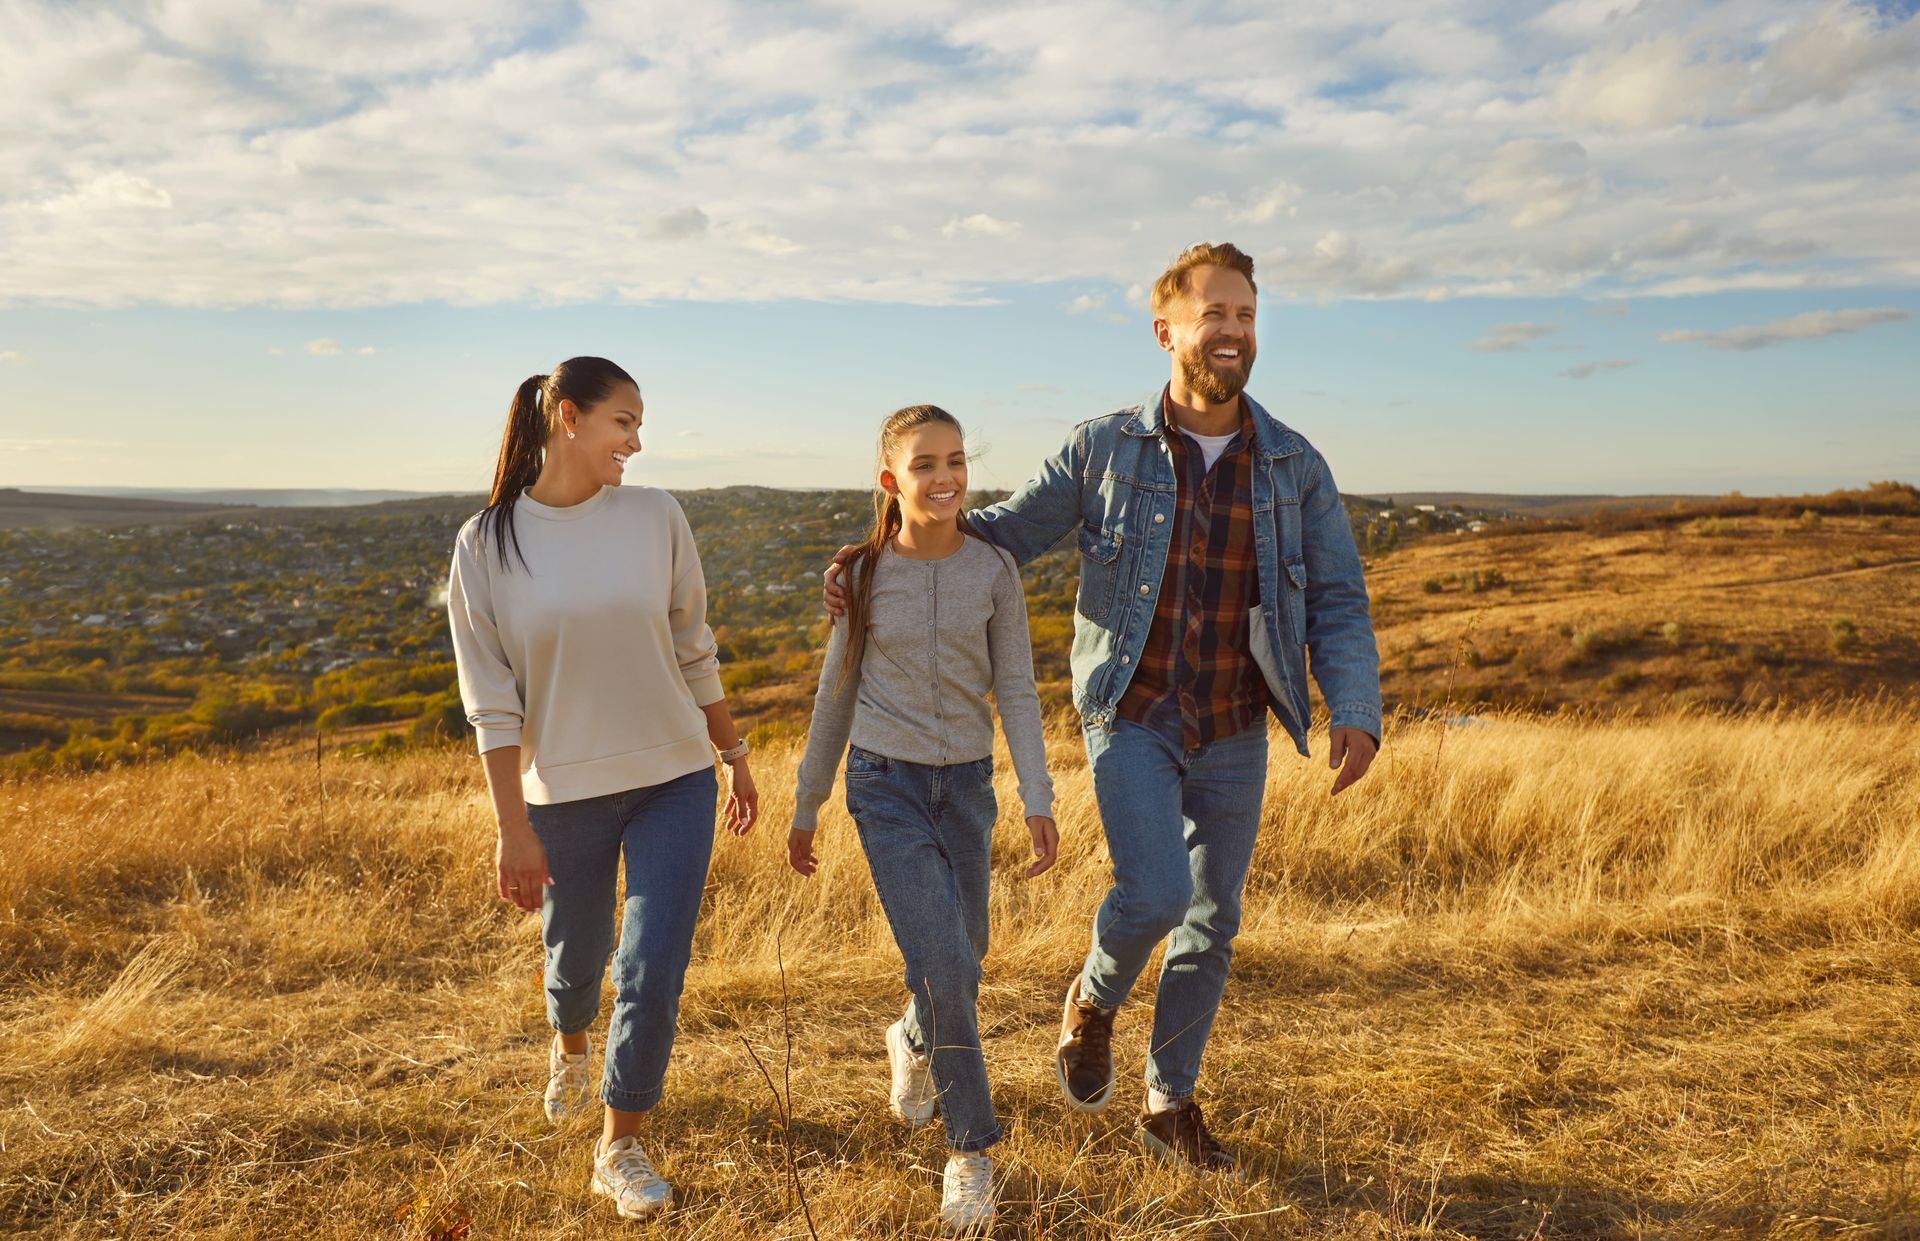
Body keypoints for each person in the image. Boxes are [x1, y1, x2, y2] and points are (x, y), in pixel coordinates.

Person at [825, 243, 1381, 1173]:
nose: (1234, 331)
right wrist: (877, 552)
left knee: (1213, 917)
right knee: (1159, 891)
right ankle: (1093, 996)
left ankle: (1171, 1102)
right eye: (1216, 314)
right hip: (1133, 710)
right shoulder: (1103, 448)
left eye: (1247, 314)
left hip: (1238, 720)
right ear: (1167, 331)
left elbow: (1338, 595)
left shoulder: (1293, 463)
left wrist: (1353, 704)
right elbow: (994, 537)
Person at [446, 356, 760, 1222]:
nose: (637, 439)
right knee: (576, 955)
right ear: (568, 417)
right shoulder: (487, 544)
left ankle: (618, 1141)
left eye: (640, 423)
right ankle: (570, 1041)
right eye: (624, 421)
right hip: (563, 794)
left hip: (673, 779)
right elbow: (491, 704)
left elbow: (693, 643)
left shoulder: (656, 515)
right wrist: (513, 828)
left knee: (653, 964)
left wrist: (731, 754)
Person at [789, 404, 1060, 1234]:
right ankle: (970, 1153)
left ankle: (910, 1036)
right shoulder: (863, 576)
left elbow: (1015, 687)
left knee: (964, 958)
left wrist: (1037, 795)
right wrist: (808, 800)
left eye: (955, 461)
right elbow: (836, 692)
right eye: (923, 464)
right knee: (946, 965)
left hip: (967, 787)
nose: (944, 477)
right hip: (885, 784)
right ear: (890, 481)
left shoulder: (993, 570)